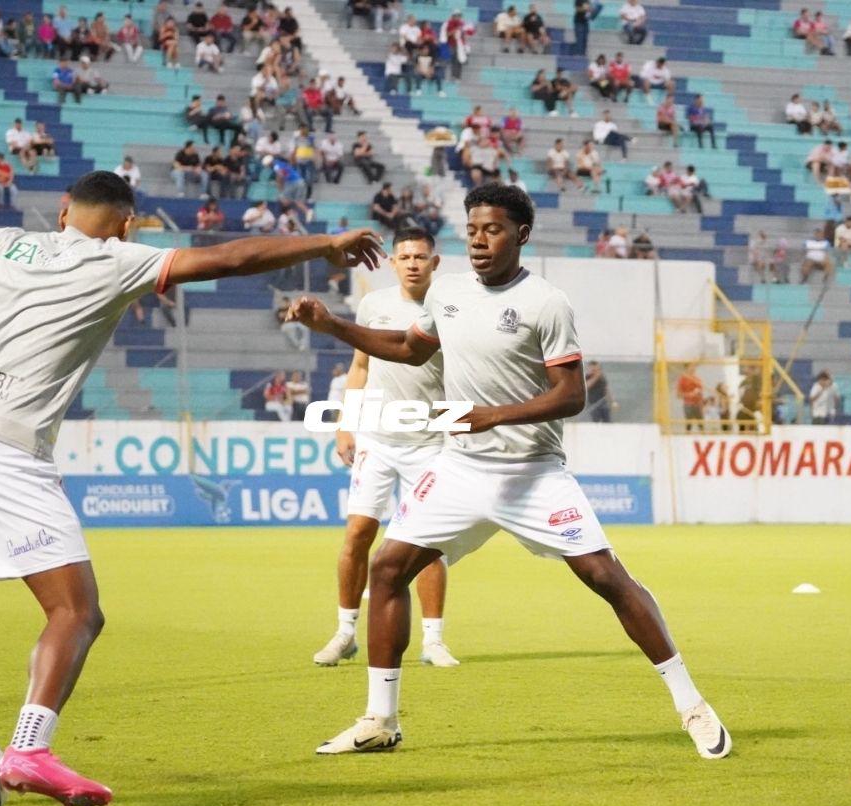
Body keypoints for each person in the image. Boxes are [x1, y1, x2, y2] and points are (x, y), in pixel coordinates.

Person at [0, 174, 385, 806]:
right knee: (77, 611)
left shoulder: (0, 244)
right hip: (3, 449)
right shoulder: (119, 260)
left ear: (63, 211)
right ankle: (28, 749)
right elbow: (231, 256)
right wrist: (324, 241)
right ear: (127, 225)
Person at [286, 184, 731, 760]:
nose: (478, 239)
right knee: (388, 569)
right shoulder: (446, 294)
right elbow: (408, 348)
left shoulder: (547, 302)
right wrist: (332, 326)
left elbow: (570, 395)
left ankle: (691, 705)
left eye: (491, 229)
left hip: (531, 472)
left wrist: (494, 415)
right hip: (459, 468)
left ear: (521, 235)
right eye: (471, 229)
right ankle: (381, 719)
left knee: (605, 578)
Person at [313, 228, 458, 668]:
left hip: (432, 442)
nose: (412, 263)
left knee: (429, 541)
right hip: (377, 437)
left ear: (436, 263)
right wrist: (345, 425)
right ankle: (345, 633)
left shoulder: (453, 308)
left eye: (420, 256)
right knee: (358, 533)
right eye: (404, 256)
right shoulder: (373, 305)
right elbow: (360, 365)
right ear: (392, 263)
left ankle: (433, 641)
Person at [676, 363, 705, 430]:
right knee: (688, 424)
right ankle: (687, 437)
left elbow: (701, 392)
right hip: (688, 404)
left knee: (701, 424)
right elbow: (678, 395)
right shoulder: (682, 379)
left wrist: (699, 394)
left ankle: (703, 436)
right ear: (686, 368)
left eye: (694, 366)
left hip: (698, 404)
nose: (693, 368)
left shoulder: (697, 379)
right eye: (691, 367)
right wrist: (689, 394)